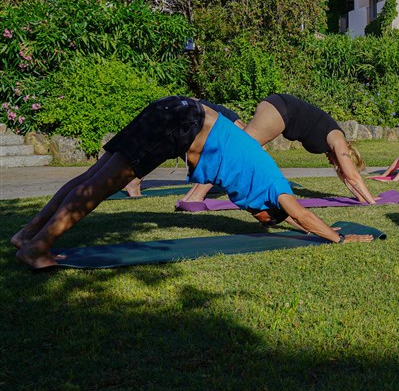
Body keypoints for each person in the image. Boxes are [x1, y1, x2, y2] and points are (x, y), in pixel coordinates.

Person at [11, 96, 373, 270]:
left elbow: (294, 220)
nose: (257, 221)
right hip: (181, 123)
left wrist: (310, 227)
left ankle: (28, 234)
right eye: (263, 220)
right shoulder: (277, 189)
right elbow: (299, 215)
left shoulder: (262, 187)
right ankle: (37, 247)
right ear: (269, 210)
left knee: (89, 177)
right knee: (99, 186)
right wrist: (337, 236)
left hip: (176, 110)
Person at [244, 94, 375, 203]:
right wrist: (373, 202)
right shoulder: (338, 139)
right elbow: (352, 176)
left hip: (277, 108)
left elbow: (348, 179)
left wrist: (362, 198)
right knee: (240, 149)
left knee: (238, 147)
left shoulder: (332, 142)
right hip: (281, 110)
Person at [122, 99, 245, 199]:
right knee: (217, 159)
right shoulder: (241, 134)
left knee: (167, 147)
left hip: (188, 109)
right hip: (190, 111)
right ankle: (195, 197)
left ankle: (134, 180)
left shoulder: (236, 128)